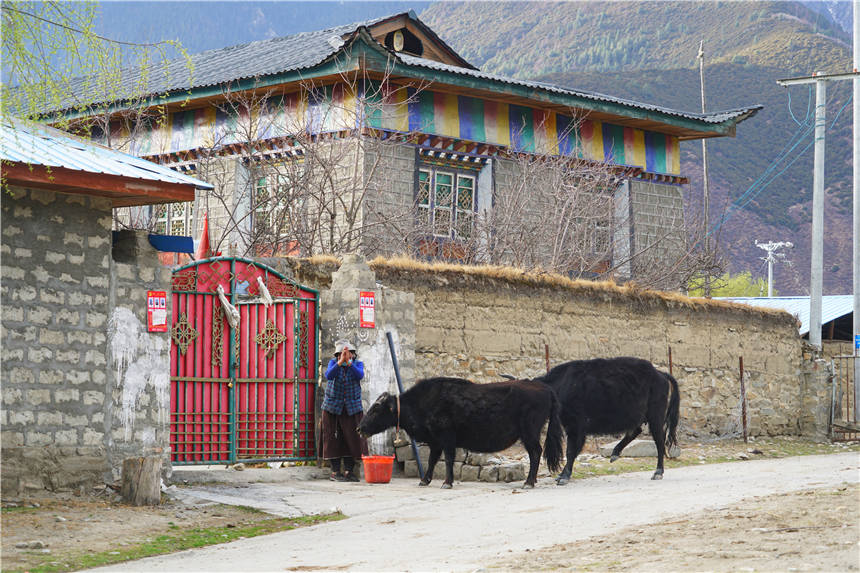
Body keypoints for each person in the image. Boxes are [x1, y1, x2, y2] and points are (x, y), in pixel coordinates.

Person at [321, 339, 368, 482]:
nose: (347, 355)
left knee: (352, 439)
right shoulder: (333, 364)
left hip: (352, 408)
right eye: (342, 354)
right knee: (333, 439)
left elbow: (359, 375)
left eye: (349, 353)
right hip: (332, 408)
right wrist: (340, 362)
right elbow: (328, 375)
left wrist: (349, 363)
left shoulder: (357, 364)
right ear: (337, 355)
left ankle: (349, 471)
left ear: (354, 354)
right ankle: (335, 472)